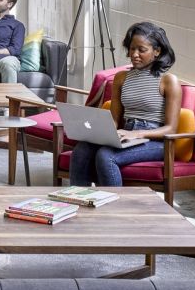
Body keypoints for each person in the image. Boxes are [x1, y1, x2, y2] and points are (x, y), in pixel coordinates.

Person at [69, 21, 181, 187]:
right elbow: (114, 119)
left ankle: (116, 209)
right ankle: (80, 200)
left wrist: (138, 134)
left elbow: (171, 129)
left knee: (106, 156)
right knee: (82, 150)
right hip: (125, 133)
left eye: (141, 50)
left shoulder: (168, 81)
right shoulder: (121, 78)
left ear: (157, 52)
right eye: (131, 48)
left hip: (155, 141)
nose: (134, 54)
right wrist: (99, 133)